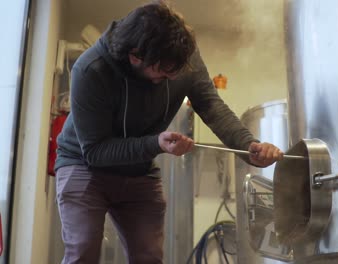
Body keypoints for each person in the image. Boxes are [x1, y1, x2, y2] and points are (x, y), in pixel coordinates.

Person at [54, 1, 283, 263]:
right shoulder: (91, 69)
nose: (173, 78)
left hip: (138, 170)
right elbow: (95, 151)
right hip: (84, 164)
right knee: (83, 248)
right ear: (135, 55)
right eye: (163, 72)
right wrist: (156, 144)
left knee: (150, 255)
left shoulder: (182, 59)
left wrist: (248, 146)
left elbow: (210, 104)